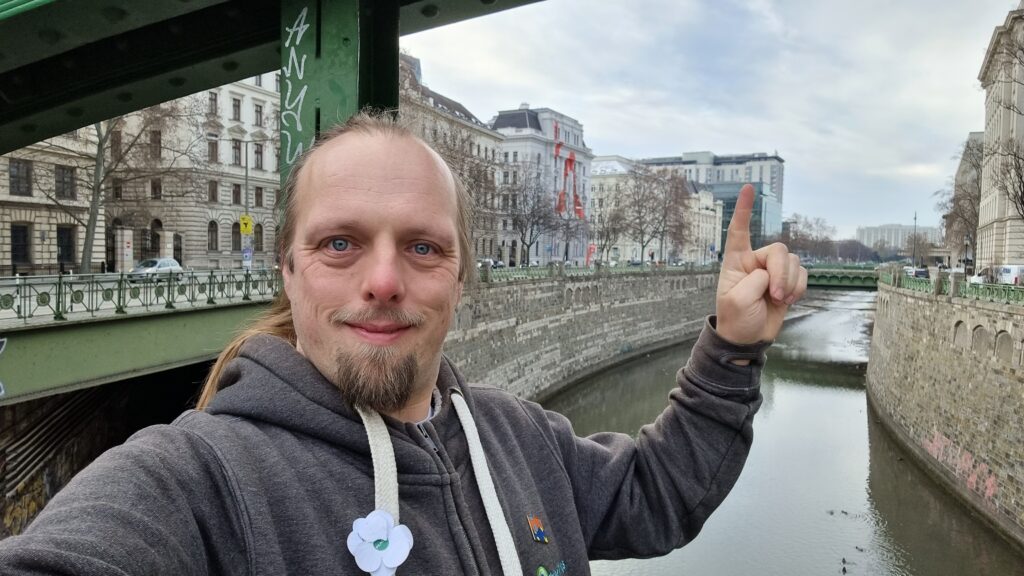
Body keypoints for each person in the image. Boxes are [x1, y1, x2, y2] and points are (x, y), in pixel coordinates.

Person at [0, 111, 806, 575]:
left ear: (462, 279)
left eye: (423, 247)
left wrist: (732, 351)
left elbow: (656, 497)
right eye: (341, 244)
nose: (383, 280)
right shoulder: (198, 480)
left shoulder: (520, 439)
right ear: (288, 272)